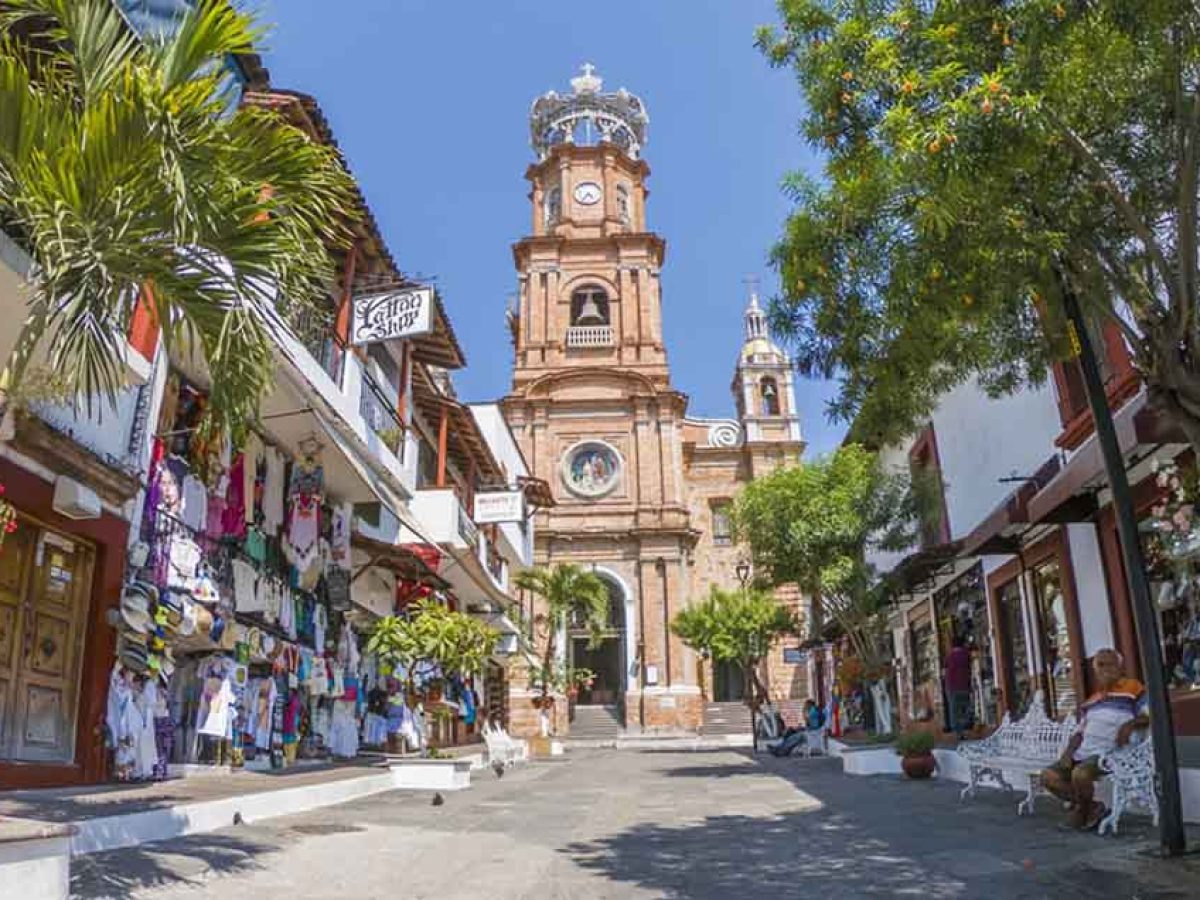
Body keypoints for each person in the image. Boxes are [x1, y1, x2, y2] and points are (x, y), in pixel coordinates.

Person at [1040, 648, 1149, 830]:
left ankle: (1081, 812)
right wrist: (1068, 754)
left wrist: (1128, 725)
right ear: (1095, 671)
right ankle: (1091, 806)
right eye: (1100, 665)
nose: (1105, 668)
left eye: (1110, 664)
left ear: (1120, 667)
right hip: (1084, 752)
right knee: (1047, 777)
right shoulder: (1092, 700)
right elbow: (1079, 732)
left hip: (1111, 752)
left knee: (1080, 774)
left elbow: (1149, 715)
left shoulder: (1133, 688)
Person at [943, 634, 972, 738]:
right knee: (964, 706)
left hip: (952, 686)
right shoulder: (966, 655)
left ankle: (959, 732)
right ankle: (966, 726)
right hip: (965, 685)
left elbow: (947, 671)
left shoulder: (950, 656)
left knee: (954, 709)